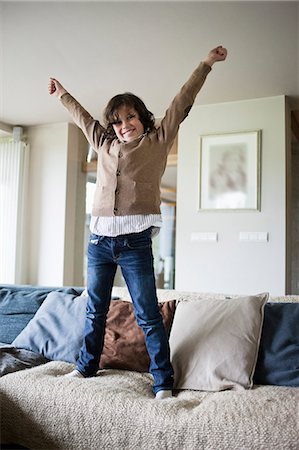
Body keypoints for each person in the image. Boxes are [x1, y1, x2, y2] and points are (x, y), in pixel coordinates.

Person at [48, 45, 227, 399]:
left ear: (142, 118)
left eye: (130, 117)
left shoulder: (158, 140)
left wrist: (206, 64)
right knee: (94, 308)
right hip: (99, 242)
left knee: (147, 314)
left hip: (135, 243)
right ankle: (85, 366)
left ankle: (163, 382)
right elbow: (83, 117)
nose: (123, 125)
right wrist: (63, 94)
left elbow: (181, 100)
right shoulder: (102, 142)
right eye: (117, 121)